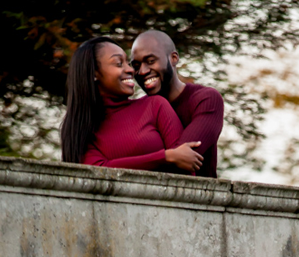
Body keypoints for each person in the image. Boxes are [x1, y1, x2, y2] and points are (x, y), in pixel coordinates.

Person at [60, 36, 203, 173]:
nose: (130, 70)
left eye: (128, 63)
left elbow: (185, 161)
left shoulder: (155, 106)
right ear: (94, 73)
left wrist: (171, 157)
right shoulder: (81, 129)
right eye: (118, 63)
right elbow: (97, 170)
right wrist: (166, 157)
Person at [130, 31, 224, 178]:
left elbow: (182, 162)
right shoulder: (136, 110)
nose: (142, 71)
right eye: (136, 65)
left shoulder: (205, 99)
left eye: (150, 61)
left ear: (173, 58)